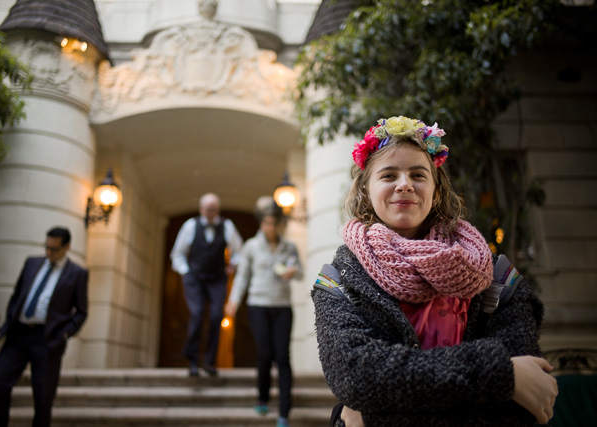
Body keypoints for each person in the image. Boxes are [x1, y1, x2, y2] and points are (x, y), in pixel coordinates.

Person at [311, 116, 558, 426]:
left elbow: (520, 406)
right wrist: (501, 373)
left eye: (418, 174)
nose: (404, 184)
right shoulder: (340, 279)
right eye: (389, 175)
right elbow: (355, 375)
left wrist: (376, 412)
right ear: (366, 191)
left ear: (436, 191)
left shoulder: (495, 277)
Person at [0, 226, 89, 427]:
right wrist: (9, 322)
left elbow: (82, 311)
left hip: (47, 340)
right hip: (18, 336)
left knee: (43, 398)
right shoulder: (32, 263)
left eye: (55, 249)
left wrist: (65, 334)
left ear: (67, 246)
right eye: (47, 247)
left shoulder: (77, 274)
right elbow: (16, 297)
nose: (49, 252)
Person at [225, 197, 302, 427]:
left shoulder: (289, 246)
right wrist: (233, 301)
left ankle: (284, 412)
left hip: (282, 308)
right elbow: (242, 277)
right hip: (257, 305)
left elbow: (299, 271)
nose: (270, 227)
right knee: (264, 354)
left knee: (283, 357)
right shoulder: (251, 246)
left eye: (274, 223)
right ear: (262, 224)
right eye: (266, 223)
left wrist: (292, 272)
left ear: (279, 224)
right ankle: (262, 398)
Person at [171, 192, 243, 377]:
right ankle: (193, 360)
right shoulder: (190, 226)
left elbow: (239, 251)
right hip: (194, 279)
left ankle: (209, 361)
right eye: (208, 209)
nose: (212, 213)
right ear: (201, 209)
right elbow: (177, 254)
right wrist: (185, 271)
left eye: (215, 209)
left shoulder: (226, 226)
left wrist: (232, 265)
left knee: (216, 316)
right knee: (196, 315)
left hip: (217, 279)